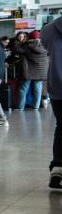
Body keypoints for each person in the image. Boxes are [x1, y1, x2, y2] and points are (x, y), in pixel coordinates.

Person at [39, 17, 62, 188]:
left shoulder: (48, 29)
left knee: (61, 126)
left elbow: (46, 47)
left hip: (57, 85)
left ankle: (58, 169)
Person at [15, 30, 50, 111]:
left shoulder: (27, 45)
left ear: (29, 37)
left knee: (23, 89)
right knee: (38, 89)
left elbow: (17, 49)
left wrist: (22, 42)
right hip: (41, 72)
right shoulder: (45, 45)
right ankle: (36, 107)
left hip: (29, 72)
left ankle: (20, 107)